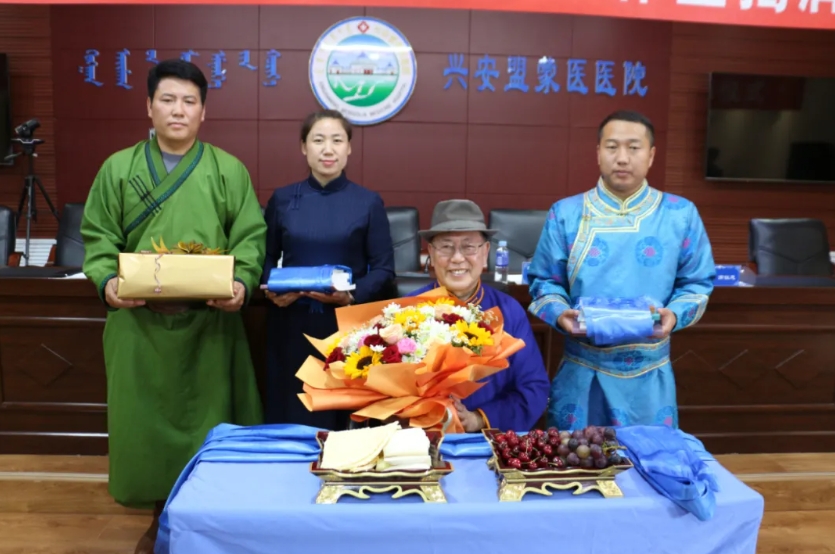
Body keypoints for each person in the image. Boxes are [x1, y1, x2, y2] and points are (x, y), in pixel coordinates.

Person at [80, 59, 266, 554]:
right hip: (138, 322)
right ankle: (159, 517)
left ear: (204, 111)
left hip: (210, 324)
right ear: (149, 106)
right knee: (143, 431)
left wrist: (242, 284)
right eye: (167, 99)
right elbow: (98, 237)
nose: (178, 110)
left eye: (189, 101)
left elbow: (250, 238)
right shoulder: (118, 169)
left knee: (211, 427)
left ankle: (208, 521)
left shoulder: (228, 170)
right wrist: (108, 282)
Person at [527, 110, 715, 431]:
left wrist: (674, 314)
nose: (623, 158)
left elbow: (697, 282)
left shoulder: (680, 214)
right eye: (612, 147)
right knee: (577, 460)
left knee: (649, 459)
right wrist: (560, 314)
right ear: (598, 153)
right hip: (582, 371)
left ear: (651, 155)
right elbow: (544, 281)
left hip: (650, 377)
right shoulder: (567, 213)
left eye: (634, 147)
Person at [262, 109, 395, 429]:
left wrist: (351, 296)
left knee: (341, 422)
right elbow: (265, 257)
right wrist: (271, 290)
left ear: (349, 148)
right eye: (318, 140)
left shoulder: (368, 202)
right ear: (303, 147)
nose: (328, 149)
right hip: (291, 322)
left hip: (347, 330)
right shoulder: (282, 199)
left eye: (337, 140)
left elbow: (384, 269)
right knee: (292, 415)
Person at [410, 199, 550, 432]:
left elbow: (533, 388)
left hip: (488, 438)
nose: (457, 258)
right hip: (421, 438)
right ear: (431, 255)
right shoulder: (407, 310)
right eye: (446, 247)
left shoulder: (509, 311)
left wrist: (479, 419)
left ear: (485, 253)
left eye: (469, 247)